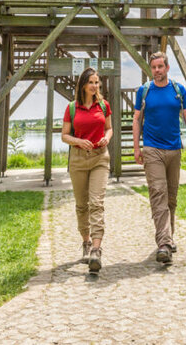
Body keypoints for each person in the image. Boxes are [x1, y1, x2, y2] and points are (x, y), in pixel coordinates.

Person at [133, 51, 186, 264]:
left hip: (174, 149)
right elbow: (136, 120)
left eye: (160, 66)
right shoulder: (144, 91)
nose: (157, 70)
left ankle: (169, 237)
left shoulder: (178, 90)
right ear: (151, 69)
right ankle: (164, 244)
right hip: (152, 149)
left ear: (167, 68)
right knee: (158, 193)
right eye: (154, 67)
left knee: (171, 197)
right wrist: (137, 148)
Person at [61, 66, 112, 272]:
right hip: (78, 159)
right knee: (82, 205)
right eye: (91, 82)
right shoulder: (72, 108)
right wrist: (79, 141)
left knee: (96, 203)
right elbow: (64, 135)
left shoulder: (104, 105)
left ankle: (96, 251)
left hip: (100, 157)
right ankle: (86, 241)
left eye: (97, 82)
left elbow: (109, 128)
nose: (95, 85)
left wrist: (105, 138)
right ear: (83, 85)